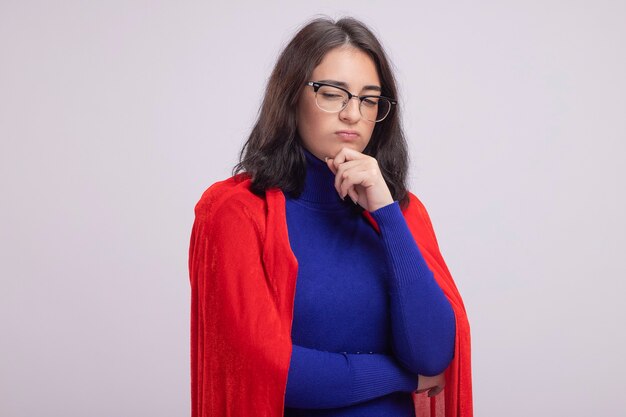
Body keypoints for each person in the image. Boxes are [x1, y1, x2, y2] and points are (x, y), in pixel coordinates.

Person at [188, 16, 472, 417]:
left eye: (369, 99)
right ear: (291, 96)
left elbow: (432, 354)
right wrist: (401, 377)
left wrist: (388, 215)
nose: (353, 114)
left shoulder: (402, 213)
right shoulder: (235, 212)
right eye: (333, 93)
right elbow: (274, 371)